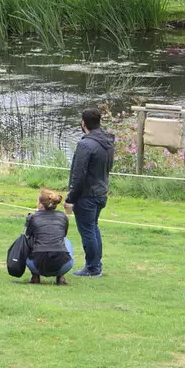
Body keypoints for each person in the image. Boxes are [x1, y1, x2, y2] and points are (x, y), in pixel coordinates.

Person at [66, 108, 114, 278]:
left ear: (83, 123)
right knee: (93, 228)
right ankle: (96, 265)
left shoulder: (85, 144)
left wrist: (70, 198)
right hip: (101, 192)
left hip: (87, 195)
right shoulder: (108, 141)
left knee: (87, 231)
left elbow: (79, 175)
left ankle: (93, 268)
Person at [23, 189, 74, 286]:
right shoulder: (63, 216)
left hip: (36, 265)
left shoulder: (33, 217)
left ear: (40, 203)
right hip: (64, 265)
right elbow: (63, 234)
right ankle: (60, 276)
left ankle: (35, 276)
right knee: (65, 241)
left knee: (29, 242)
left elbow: (28, 235)